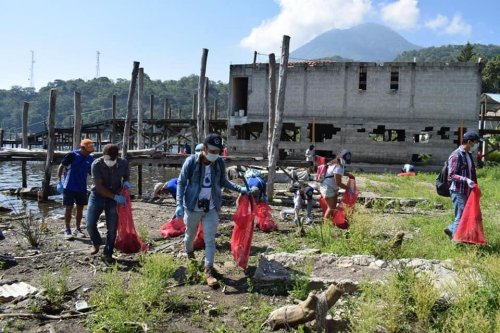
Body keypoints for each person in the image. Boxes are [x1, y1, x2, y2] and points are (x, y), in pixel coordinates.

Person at [176, 133, 247, 287]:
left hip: (211, 206)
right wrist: (179, 204)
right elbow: (181, 183)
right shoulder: (191, 162)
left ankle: (209, 270)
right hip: (192, 206)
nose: (215, 154)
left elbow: (223, 181)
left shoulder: (219, 163)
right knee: (190, 236)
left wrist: (239, 188)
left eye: (218, 152)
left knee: (210, 239)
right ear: (205, 148)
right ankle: (190, 255)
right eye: (212, 151)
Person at [86, 144, 131, 263]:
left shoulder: (123, 163)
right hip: (97, 196)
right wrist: (116, 197)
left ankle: (108, 252)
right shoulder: (96, 164)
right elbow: (99, 187)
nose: (109, 161)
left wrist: (126, 182)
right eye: (108, 158)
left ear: (116, 157)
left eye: (112, 159)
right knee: (90, 224)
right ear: (103, 155)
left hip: (113, 199)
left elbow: (126, 176)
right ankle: (96, 243)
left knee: (112, 228)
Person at [444, 131, 481, 240]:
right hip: (458, 190)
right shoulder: (456, 155)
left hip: (467, 191)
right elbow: (451, 176)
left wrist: (475, 187)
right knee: (460, 217)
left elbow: (472, 173)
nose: (475, 145)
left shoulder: (468, 155)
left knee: (467, 215)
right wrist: (466, 180)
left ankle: (451, 229)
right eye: (474, 143)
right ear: (469, 142)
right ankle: (456, 242)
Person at [56, 139, 95, 240]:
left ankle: (78, 228)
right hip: (69, 186)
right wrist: (59, 181)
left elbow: (91, 172)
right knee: (68, 208)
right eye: (88, 150)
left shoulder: (90, 158)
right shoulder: (72, 155)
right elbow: (61, 166)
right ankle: (67, 229)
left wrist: (96, 182)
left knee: (80, 208)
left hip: (82, 187)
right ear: (82, 148)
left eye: (91, 151)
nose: (89, 152)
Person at [319, 149, 355, 224]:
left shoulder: (335, 163)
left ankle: (331, 223)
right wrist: (349, 189)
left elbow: (339, 173)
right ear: (341, 158)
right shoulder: (337, 167)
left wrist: (348, 174)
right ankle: (325, 226)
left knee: (333, 208)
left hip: (332, 187)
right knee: (331, 208)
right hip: (328, 187)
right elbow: (338, 183)